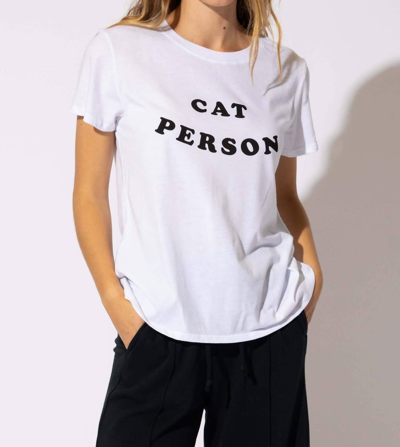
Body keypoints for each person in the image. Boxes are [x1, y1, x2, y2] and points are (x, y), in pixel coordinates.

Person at [70, 0, 324, 446]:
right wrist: (117, 304)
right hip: (157, 327)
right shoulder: (118, 52)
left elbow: (284, 195)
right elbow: (89, 193)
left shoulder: (285, 70)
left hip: (267, 330)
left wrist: (312, 281)